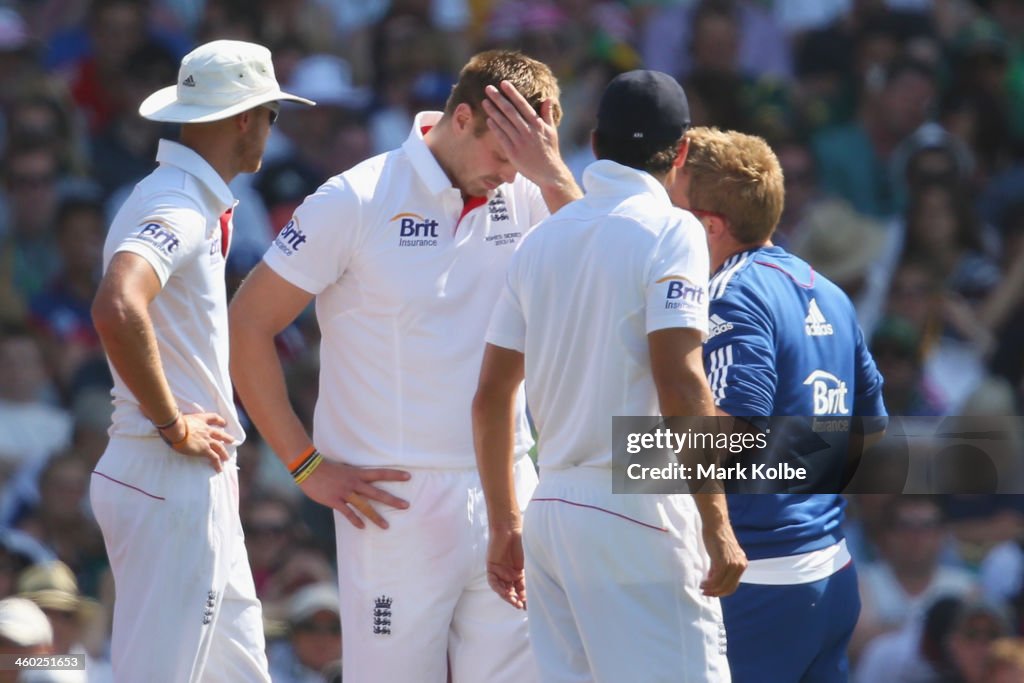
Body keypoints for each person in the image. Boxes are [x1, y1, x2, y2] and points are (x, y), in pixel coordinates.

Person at [228, 50, 581, 683]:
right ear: (465, 118)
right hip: (391, 505)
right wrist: (304, 464)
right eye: (505, 153)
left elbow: (599, 272)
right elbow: (247, 324)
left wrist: (551, 171)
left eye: (526, 156)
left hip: (511, 489)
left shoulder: (532, 186)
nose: (511, 173)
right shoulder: (356, 196)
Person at [474, 70, 745, 682]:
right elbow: (682, 384)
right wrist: (717, 523)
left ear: (594, 143)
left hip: (552, 512)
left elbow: (491, 398)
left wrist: (506, 524)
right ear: (681, 152)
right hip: (638, 508)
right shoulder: (674, 229)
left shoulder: (541, 242)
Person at [89, 39, 313, 682]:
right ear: (246, 118)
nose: (273, 127)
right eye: (271, 112)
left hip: (184, 478)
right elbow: (117, 306)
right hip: (167, 471)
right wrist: (171, 423)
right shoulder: (178, 202)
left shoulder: (185, 196)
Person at [670, 126, 887, 683]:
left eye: (673, 210)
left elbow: (730, 434)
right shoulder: (826, 289)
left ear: (708, 225)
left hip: (757, 587)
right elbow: (869, 426)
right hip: (830, 574)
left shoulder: (727, 293)